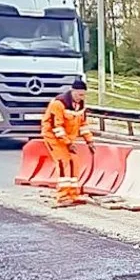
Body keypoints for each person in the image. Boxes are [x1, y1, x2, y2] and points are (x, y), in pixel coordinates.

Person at [40, 78, 96, 206]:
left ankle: (73, 194)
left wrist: (89, 141)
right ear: (72, 91)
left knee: (74, 162)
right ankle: (63, 196)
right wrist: (68, 143)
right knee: (63, 162)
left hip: (68, 139)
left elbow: (83, 125)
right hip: (54, 138)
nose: (81, 98)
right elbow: (56, 127)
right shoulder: (58, 104)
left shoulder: (80, 106)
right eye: (79, 94)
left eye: (83, 95)